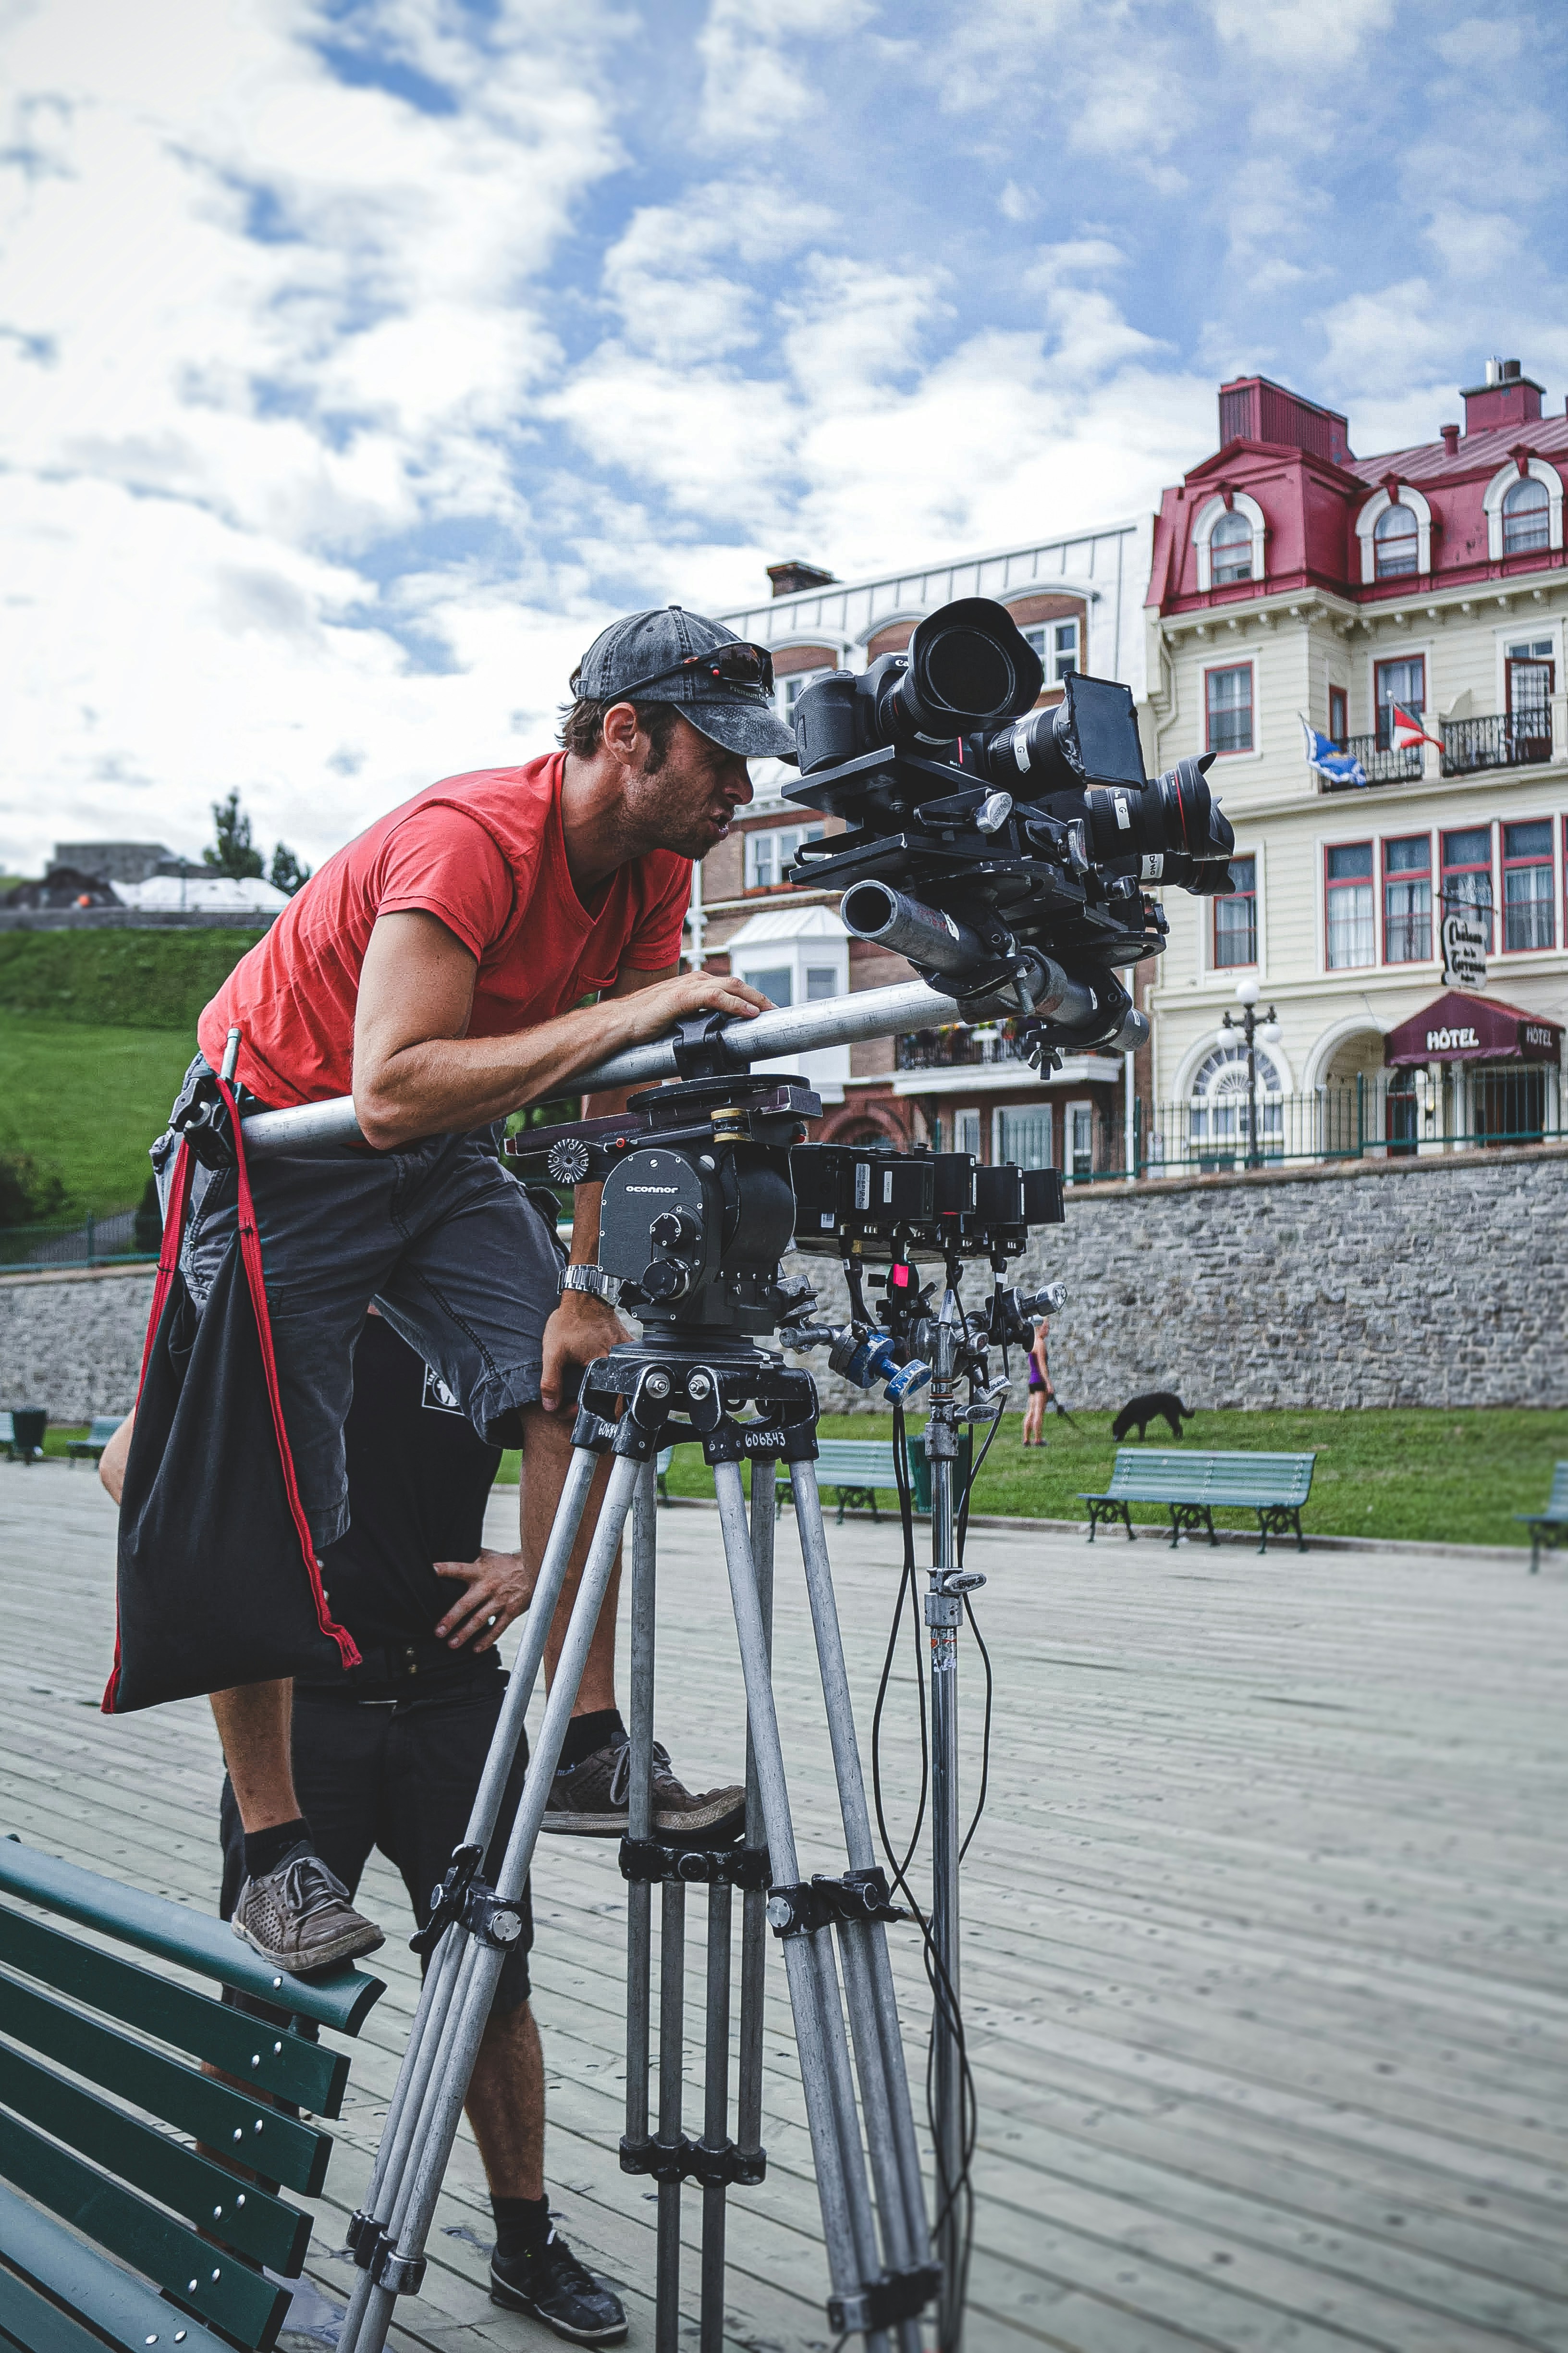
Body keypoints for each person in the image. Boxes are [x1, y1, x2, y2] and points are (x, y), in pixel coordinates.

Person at [124, 606, 796, 1971]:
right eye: (720, 758)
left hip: (440, 1151)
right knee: (260, 1493)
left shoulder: (652, 865)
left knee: (588, 1377)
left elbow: (613, 1081)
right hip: (285, 1144)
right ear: (625, 735)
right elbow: (387, 1083)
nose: (743, 791)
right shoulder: (470, 840)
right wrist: (632, 1012)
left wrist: (588, 1282)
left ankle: (585, 1746)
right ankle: (273, 1853)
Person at [101, 1315, 631, 2346]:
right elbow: (128, 1464)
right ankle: (227, 2247)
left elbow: (579, 1449)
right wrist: (254, 1562)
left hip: (457, 1702)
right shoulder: (283, 1300)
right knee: (265, 1992)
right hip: (307, 1715)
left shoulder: (476, 1305)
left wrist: (527, 1565)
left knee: (492, 1983)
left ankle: (525, 2242)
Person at [1021, 1318, 1053, 1448]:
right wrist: (1048, 1384)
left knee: (1031, 1411)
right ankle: (1038, 1440)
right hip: (1040, 1382)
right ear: (1039, 1328)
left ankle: (1026, 1439)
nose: (1047, 1331)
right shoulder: (1040, 1343)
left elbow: (1032, 1365)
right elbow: (1042, 1366)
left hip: (1032, 1382)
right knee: (1039, 1412)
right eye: (1046, 1328)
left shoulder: (1032, 1343)